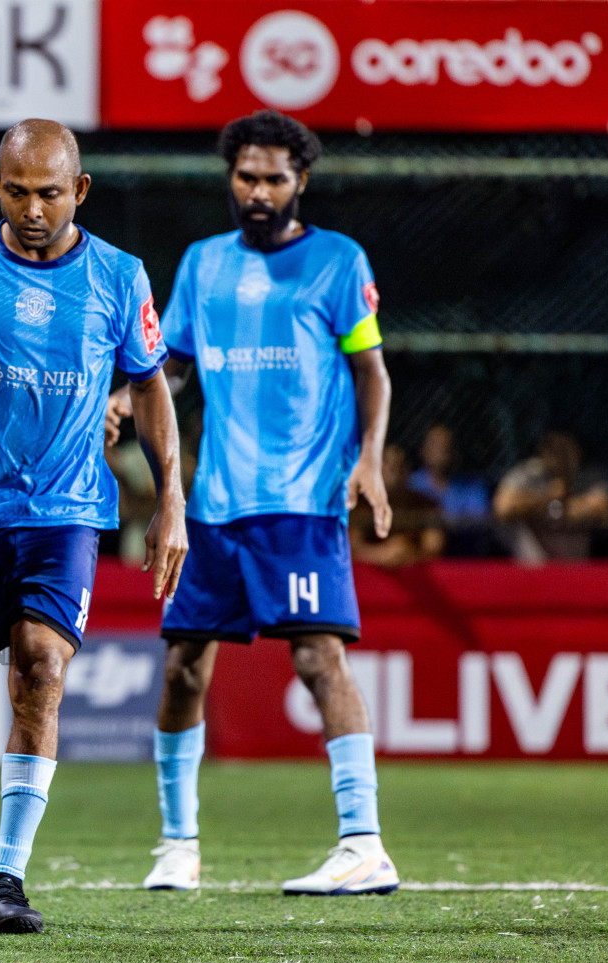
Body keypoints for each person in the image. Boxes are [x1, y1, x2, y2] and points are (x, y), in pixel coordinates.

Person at [0, 120, 188, 933]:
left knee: (41, 670)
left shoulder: (120, 278)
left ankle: (7, 878)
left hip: (66, 514)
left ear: (79, 191)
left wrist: (171, 501)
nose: (32, 209)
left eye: (50, 193)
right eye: (18, 191)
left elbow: (152, 386)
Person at [116, 110, 400, 896]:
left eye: (275, 178)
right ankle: (178, 845)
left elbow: (372, 373)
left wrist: (369, 462)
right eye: (247, 177)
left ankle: (364, 843)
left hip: (301, 499)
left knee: (317, 658)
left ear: (300, 181)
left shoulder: (339, 263)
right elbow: (168, 365)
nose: (260, 191)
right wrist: (126, 399)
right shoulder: (204, 266)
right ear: (230, 179)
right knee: (180, 670)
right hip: (213, 505)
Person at [492, 431, 608, 562]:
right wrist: (549, 497)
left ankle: (572, 575)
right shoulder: (529, 472)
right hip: (534, 556)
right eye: (552, 449)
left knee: (569, 522)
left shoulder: (587, 475)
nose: (560, 455)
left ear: (577, 450)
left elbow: (600, 510)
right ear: (542, 452)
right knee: (512, 525)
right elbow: (504, 508)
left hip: (574, 554)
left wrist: (558, 509)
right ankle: (537, 575)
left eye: (565, 449)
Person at [350, 445, 443, 568]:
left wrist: (406, 553)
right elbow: (350, 546)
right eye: (386, 463)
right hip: (366, 580)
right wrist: (381, 554)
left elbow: (433, 546)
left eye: (398, 465)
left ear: (407, 470)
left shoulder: (424, 504)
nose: (392, 470)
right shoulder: (359, 503)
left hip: (413, 578)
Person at [408, 423, 491, 556]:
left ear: (455, 452)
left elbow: (478, 520)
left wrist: (440, 521)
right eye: (435, 445)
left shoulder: (473, 486)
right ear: (424, 450)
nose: (442, 450)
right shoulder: (411, 484)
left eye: (447, 446)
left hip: (465, 555)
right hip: (421, 556)